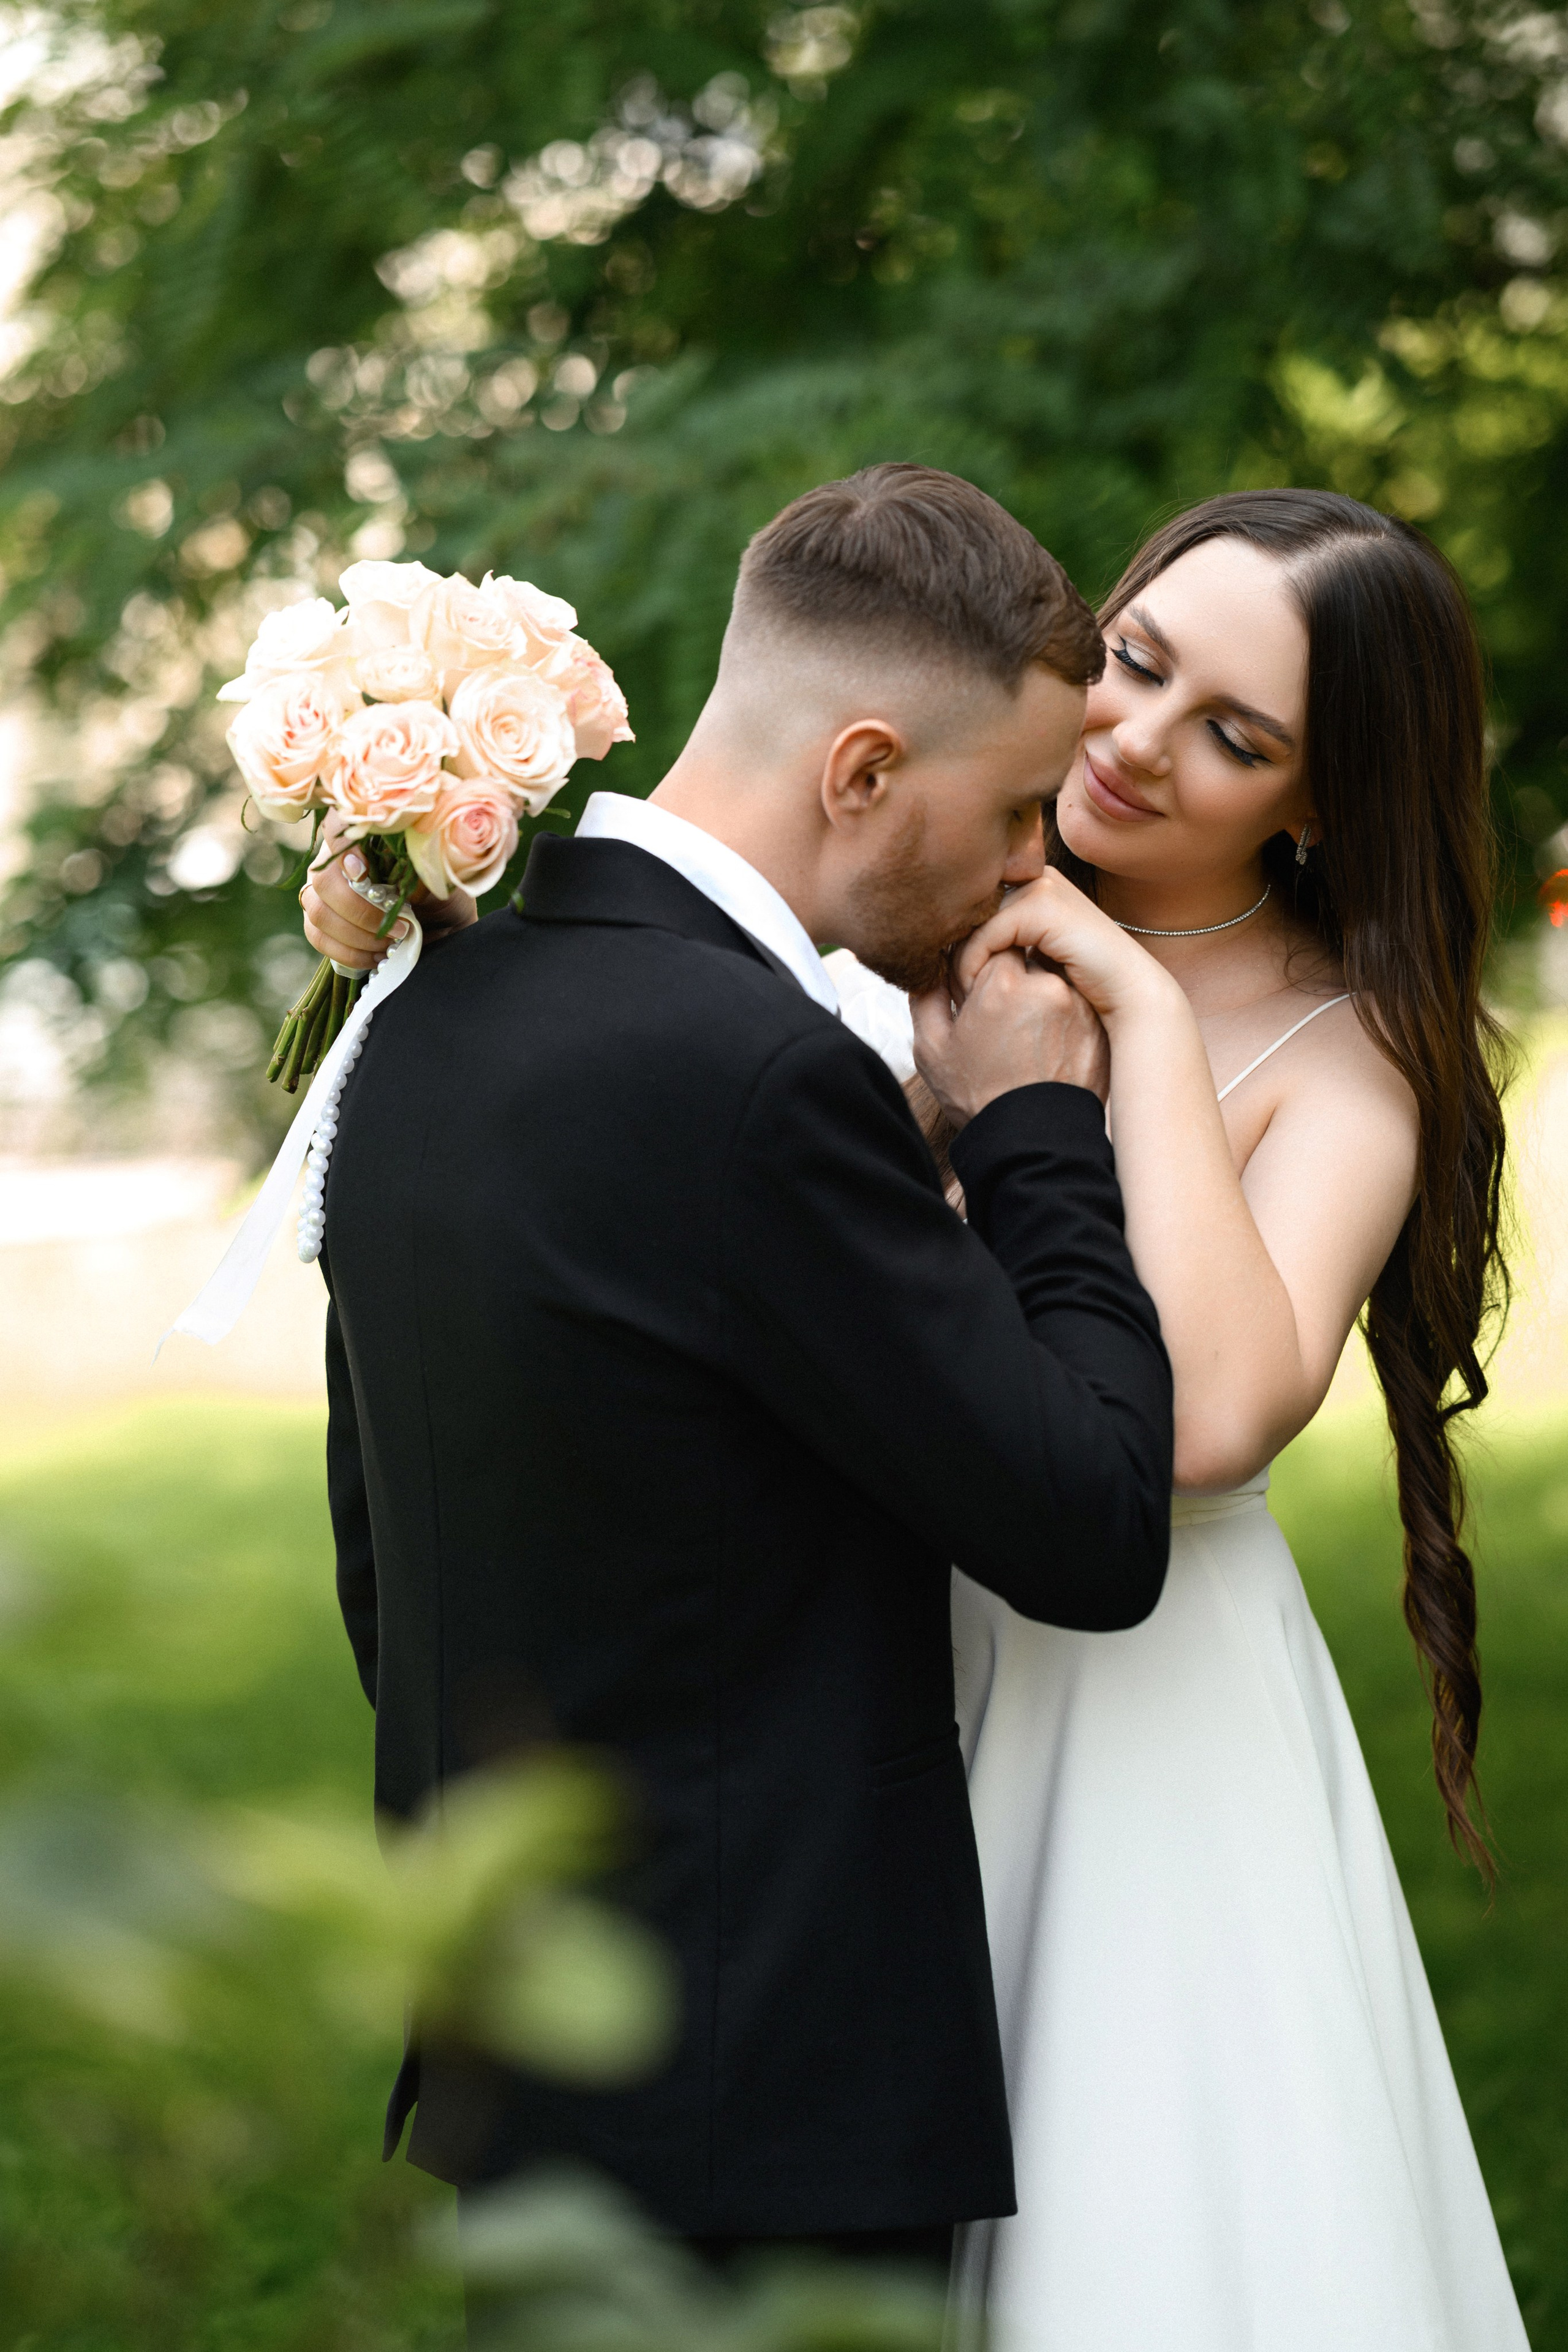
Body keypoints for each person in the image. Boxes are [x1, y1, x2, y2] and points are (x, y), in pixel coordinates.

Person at [303, 464, 1174, 2272]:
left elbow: (389, 1567)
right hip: (768, 2099)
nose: (1037, 861)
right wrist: (1037, 1128)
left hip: (531, 2053)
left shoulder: (422, 1022)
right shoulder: (763, 1077)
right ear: (864, 772)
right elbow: (1093, 1521)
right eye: (1018, 807)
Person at [839, 489, 1527, 2348]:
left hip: (1136, 1720)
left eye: (1235, 736)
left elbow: (1212, 1417)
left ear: (1320, 802)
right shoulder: (912, 896)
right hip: (860, 1667)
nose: (1136, 740)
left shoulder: (1343, 1056)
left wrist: (1140, 1012)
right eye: (1135, 662)